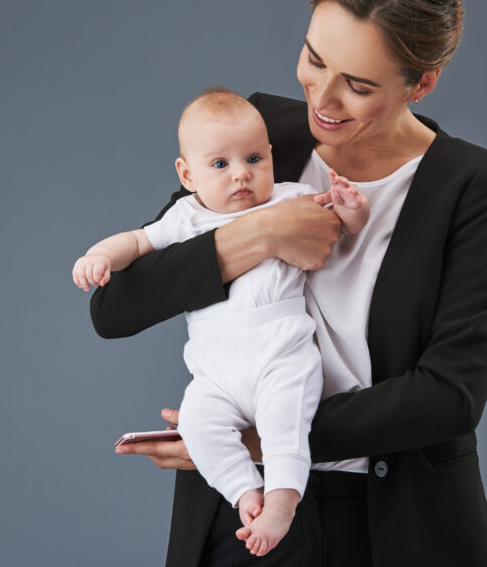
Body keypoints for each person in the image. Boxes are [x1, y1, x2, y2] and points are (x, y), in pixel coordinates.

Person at [92, 0, 487, 567]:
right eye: (314, 60)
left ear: (422, 83)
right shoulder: (258, 137)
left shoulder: (472, 183)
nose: (323, 98)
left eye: (359, 85)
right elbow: (117, 306)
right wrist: (259, 234)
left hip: (391, 521)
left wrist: (265, 438)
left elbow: (451, 394)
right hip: (240, 515)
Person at [73, 89, 369, 558]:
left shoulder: (289, 197)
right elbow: (137, 241)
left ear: (271, 156)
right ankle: (243, 492)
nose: (241, 174)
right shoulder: (185, 217)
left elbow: (344, 223)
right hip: (217, 374)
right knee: (196, 422)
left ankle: (281, 502)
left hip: (282, 356)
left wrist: (351, 205)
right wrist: (99, 256)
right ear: (187, 174)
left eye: (254, 158)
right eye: (220, 165)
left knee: (283, 425)